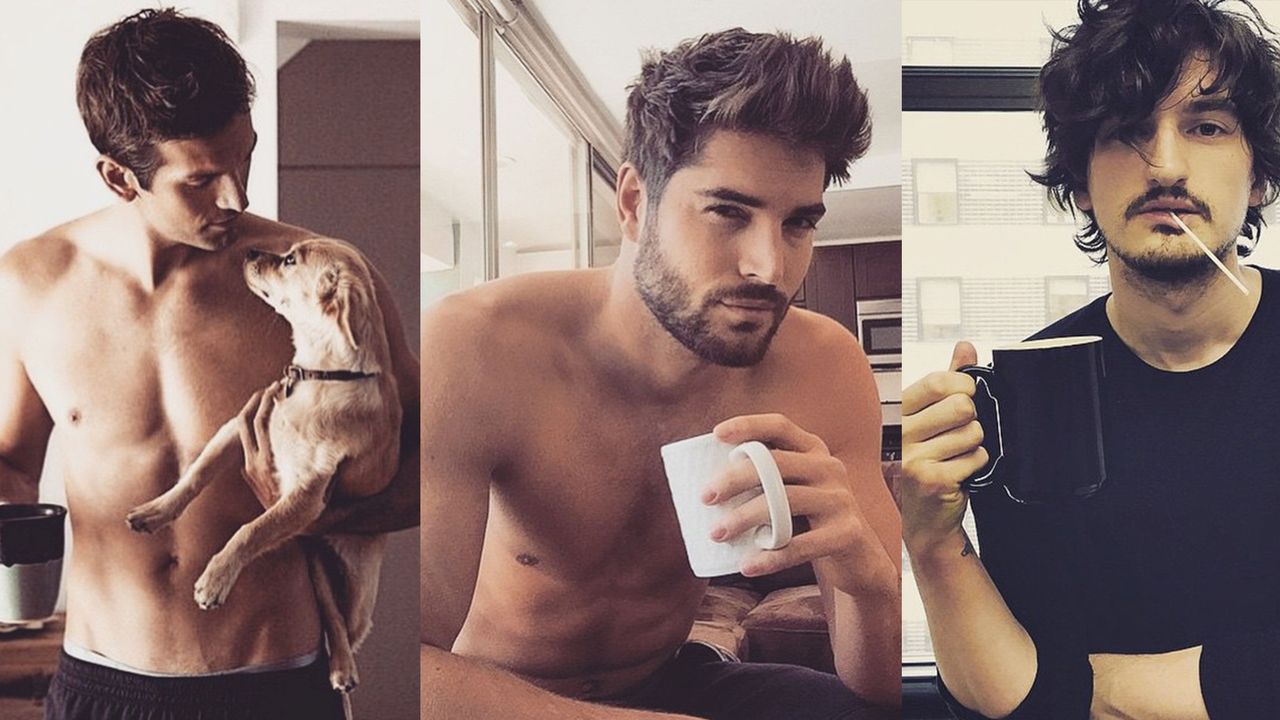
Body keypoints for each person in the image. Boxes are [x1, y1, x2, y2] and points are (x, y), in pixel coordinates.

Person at [421, 28, 900, 720]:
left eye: (798, 223)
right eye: (728, 213)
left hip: (674, 681)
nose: (770, 266)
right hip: (495, 695)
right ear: (633, 203)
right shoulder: (475, 348)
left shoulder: (825, 367)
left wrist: (864, 576)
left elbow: (879, 688)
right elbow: (399, 668)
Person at [0, 9, 419, 719]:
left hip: (275, 686)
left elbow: (423, 476)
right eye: (200, 180)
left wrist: (311, 513)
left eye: (244, 156)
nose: (239, 196)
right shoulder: (30, 285)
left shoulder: (322, 285)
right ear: (118, 176)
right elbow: (12, 464)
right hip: (103, 684)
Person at [901, 1, 1280, 718]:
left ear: (1259, 174)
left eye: (1205, 126)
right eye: (1126, 132)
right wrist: (930, 541)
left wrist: (1109, 690)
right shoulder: (1025, 398)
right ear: (1080, 184)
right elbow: (1019, 693)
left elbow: (1067, 690)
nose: (1165, 164)